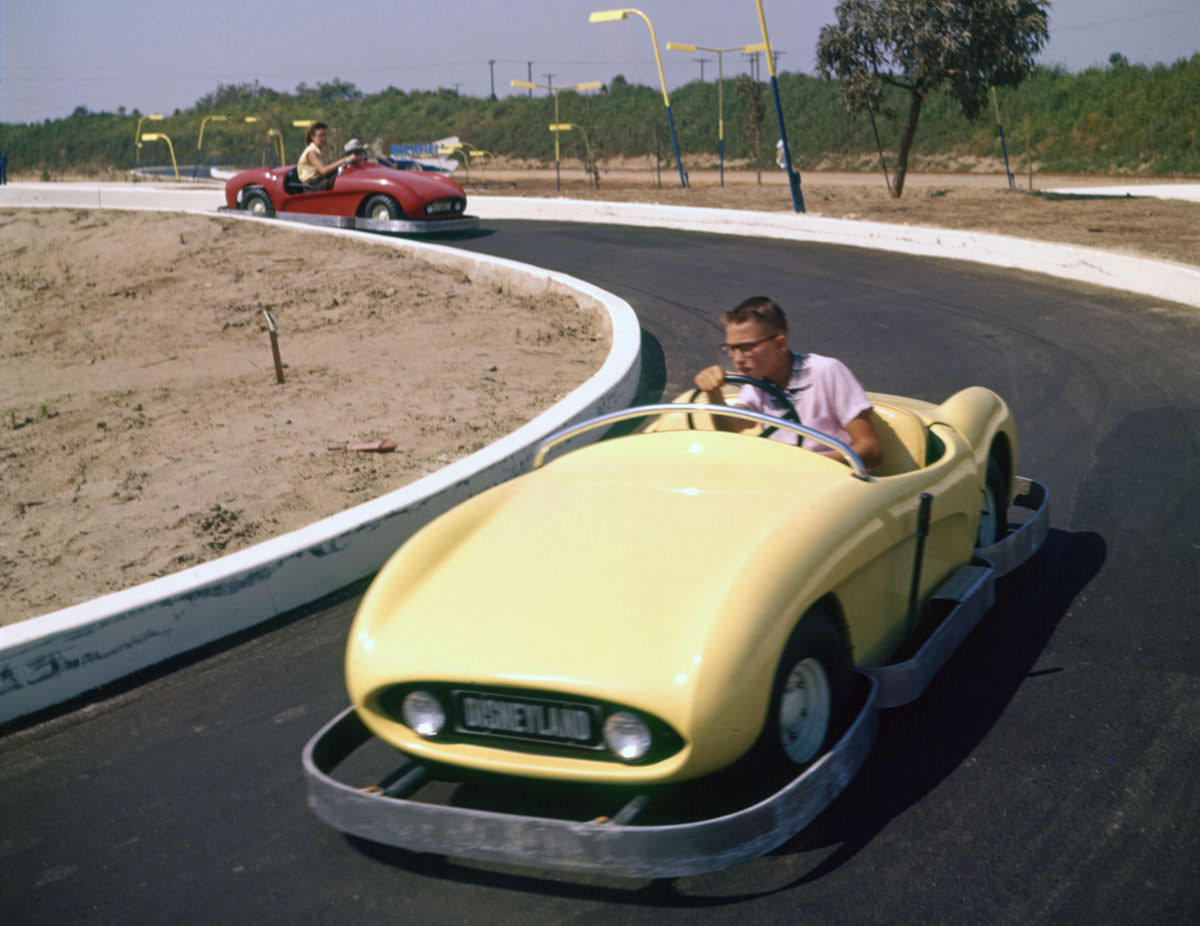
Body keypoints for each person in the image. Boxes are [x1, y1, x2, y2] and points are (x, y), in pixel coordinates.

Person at [694, 296, 882, 469]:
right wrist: (713, 392)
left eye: (746, 348)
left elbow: (870, 450)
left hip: (833, 478)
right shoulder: (757, 380)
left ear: (780, 344)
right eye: (731, 349)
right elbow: (730, 429)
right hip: (783, 479)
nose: (737, 359)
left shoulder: (826, 371)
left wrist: (807, 466)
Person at [296, 122, 359, 191]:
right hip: (312, 185)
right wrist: (344, 160)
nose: (324, 138)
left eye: (325, 135)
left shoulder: (317, 150)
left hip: (318, 180)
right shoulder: (311, 152)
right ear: (312, 137)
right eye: (320, 136)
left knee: (344, 173)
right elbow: (324, 170)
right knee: (342, 179)